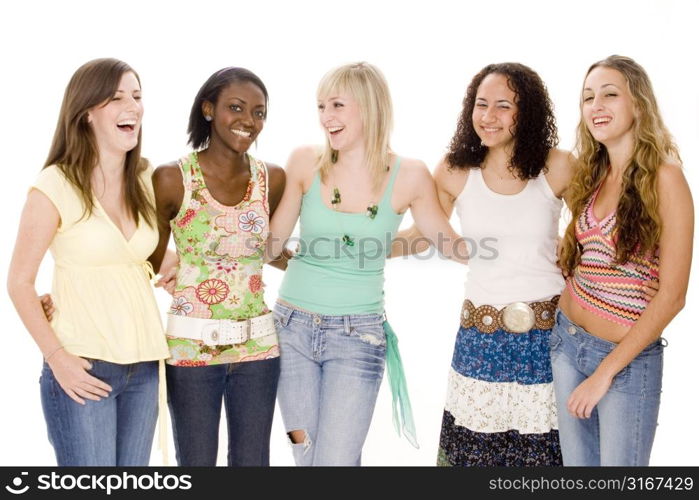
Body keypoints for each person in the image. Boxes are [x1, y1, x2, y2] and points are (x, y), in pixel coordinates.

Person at [266, 62, 468, 466]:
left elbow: (447, 243)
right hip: (290, 330)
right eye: (321, 106)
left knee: (336, 461)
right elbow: (271, 246)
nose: (326, 117)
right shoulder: (305, 161)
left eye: (337, 105)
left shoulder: (409, 174)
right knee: (302, 450)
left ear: (370, 107)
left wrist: (521, 246)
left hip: (358, 339)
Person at [394, 62, 578, 466]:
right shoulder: (456, 170)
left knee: (546, 456)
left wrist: (571, 247)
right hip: (481, 336)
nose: (488, 117)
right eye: (481, 105)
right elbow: (425, 232)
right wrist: (363, 247)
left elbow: (591, 229)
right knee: (475, 456)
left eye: (502, 106)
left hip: (549, 337)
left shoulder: (559, 166)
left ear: (525, 112)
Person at [7, 58, 170, 466]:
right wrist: (57, 358)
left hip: (145, 366)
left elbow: (145, 255)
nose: (132, 106)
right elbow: (19, 282)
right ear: (86, 114)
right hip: (83, 365)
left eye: (136, 96)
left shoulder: (146, 180)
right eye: (116, 98)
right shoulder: (54, 186)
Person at [553, 55, 693, 466]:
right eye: (587, 98)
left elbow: (673, 296)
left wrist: (603, 375)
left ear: (639, 104)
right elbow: (586, 258)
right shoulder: (591, 175)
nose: (596, 105)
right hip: (565, 343)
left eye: (610, 95)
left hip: (624, 362)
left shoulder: (666, 178)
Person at [148, 67, 286, 466]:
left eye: (259, 113)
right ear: (209, 109)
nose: (249, 121)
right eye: (236, 108)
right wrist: (177, 268)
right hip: (191, 346)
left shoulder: (271, 179)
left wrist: (326, 265)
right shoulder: (173, 178)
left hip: (258, 347)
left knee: (252, 463)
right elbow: (151, 253)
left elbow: (269, 251)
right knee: (196, 464)